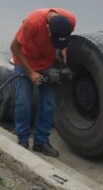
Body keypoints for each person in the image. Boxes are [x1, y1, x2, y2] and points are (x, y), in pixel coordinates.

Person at [11, 8, 76, 157]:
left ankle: (41, 142)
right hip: (26, 61)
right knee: (23, 103)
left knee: (49, 103)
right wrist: (30, 73)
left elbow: (65, 38)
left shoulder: (70, 19)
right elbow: (14, 47)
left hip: (48, 63)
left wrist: (62, 49)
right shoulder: (33, 22)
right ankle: (23, 140)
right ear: (48, 28)